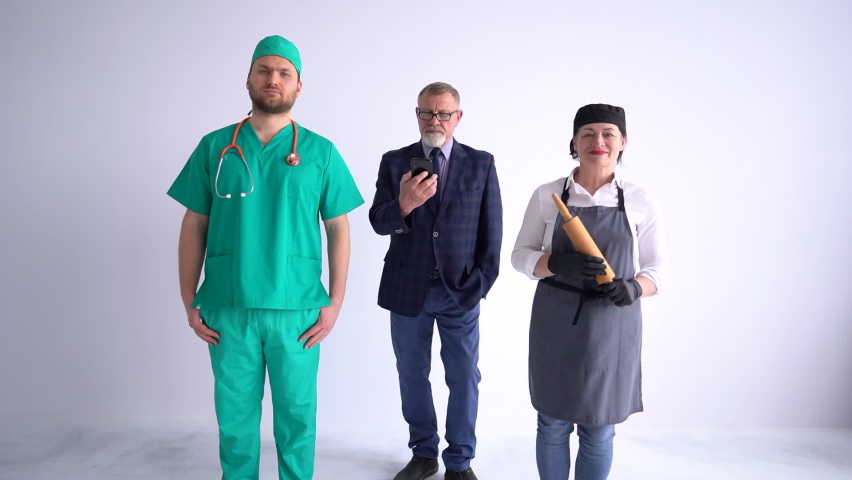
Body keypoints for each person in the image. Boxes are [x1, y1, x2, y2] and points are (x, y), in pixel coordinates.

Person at [166, 35, 364, 480]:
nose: (273, 79)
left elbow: (339, 228)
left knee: (297, 420)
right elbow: (194, 223)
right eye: (264, 70)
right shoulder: (215, 146)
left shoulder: (320, 152)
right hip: (227, 308)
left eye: (284, 72)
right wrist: (187, 299)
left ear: (298, 86)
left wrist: (334, 302)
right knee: (235, 425)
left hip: (297, 310)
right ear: (249, 79)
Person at [510, 104, 664, 480]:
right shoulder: (548, 195)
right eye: (588, 134)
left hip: (612, 326)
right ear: (574, 143)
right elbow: (519, 256)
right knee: (552, 423)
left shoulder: (638, 199)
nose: (599, 141)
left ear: (622, 142)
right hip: (556, 322)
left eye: (609, 134)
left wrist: (633, 288)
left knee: (599, 428)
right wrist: (556, 264)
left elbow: (657, 271)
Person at [369, 82, 503, 480]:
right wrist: (405, 204)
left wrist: (479, 283)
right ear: (417, 115)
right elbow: (378, 221)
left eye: (444, 113)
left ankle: (459, 462)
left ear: (458, 117)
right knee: (411, 374)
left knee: (463, 376)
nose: (435, 121)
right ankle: (423, 453)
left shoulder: (481, 163)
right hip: (407, 289)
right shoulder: (395, 162)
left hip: (459, 291)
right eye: (427, 113)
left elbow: (491, 232)